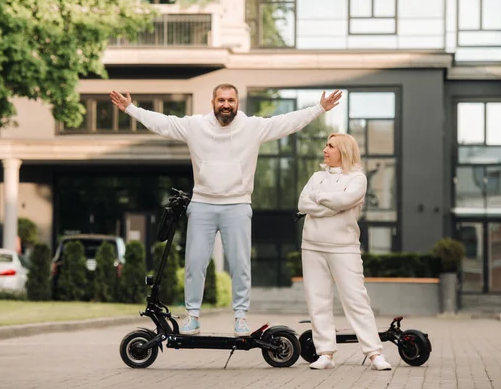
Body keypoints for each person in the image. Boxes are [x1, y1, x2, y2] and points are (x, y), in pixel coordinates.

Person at [110, 84, 342, 336]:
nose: (226, 104)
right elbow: (162, 123)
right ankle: (193, 317)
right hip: (202, 204)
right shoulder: (195, 126)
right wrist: (131, 109)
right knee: (194, 263)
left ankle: (241, 318)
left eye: (231, 100)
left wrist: (319, 108)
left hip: (238, 205)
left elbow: (286, 122)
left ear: (237, 103)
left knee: (240, 264)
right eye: (221, 99)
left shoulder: (252, 127)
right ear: (213, 102)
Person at [297, 133, 392, 371]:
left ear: (343, 151)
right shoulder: (317, 176)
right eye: (326, 145)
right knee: (317, 301)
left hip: (344, 248)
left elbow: (345, 201)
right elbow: (302, 204)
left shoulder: (358, 178)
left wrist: (320, 200)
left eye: (330, 146)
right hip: (312, 246)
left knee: (356, 300)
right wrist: (331, 204)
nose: (324, 150)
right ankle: (325, 354)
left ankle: (374, 353)